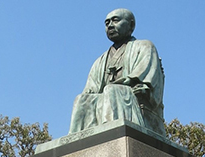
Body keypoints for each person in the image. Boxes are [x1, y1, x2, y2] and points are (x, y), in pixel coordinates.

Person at [69, 8, 166, 136]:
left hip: (135, 102)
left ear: (131, 25)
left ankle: (111, 138)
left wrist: (134, 85)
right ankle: (78, 143)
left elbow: (146, 83)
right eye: (107, 23)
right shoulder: (100, 61)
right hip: (106, 100)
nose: (110, 26)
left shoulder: (145, 47)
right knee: (81, 100)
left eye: (115, 21)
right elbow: (91, 90)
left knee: (111, 90)